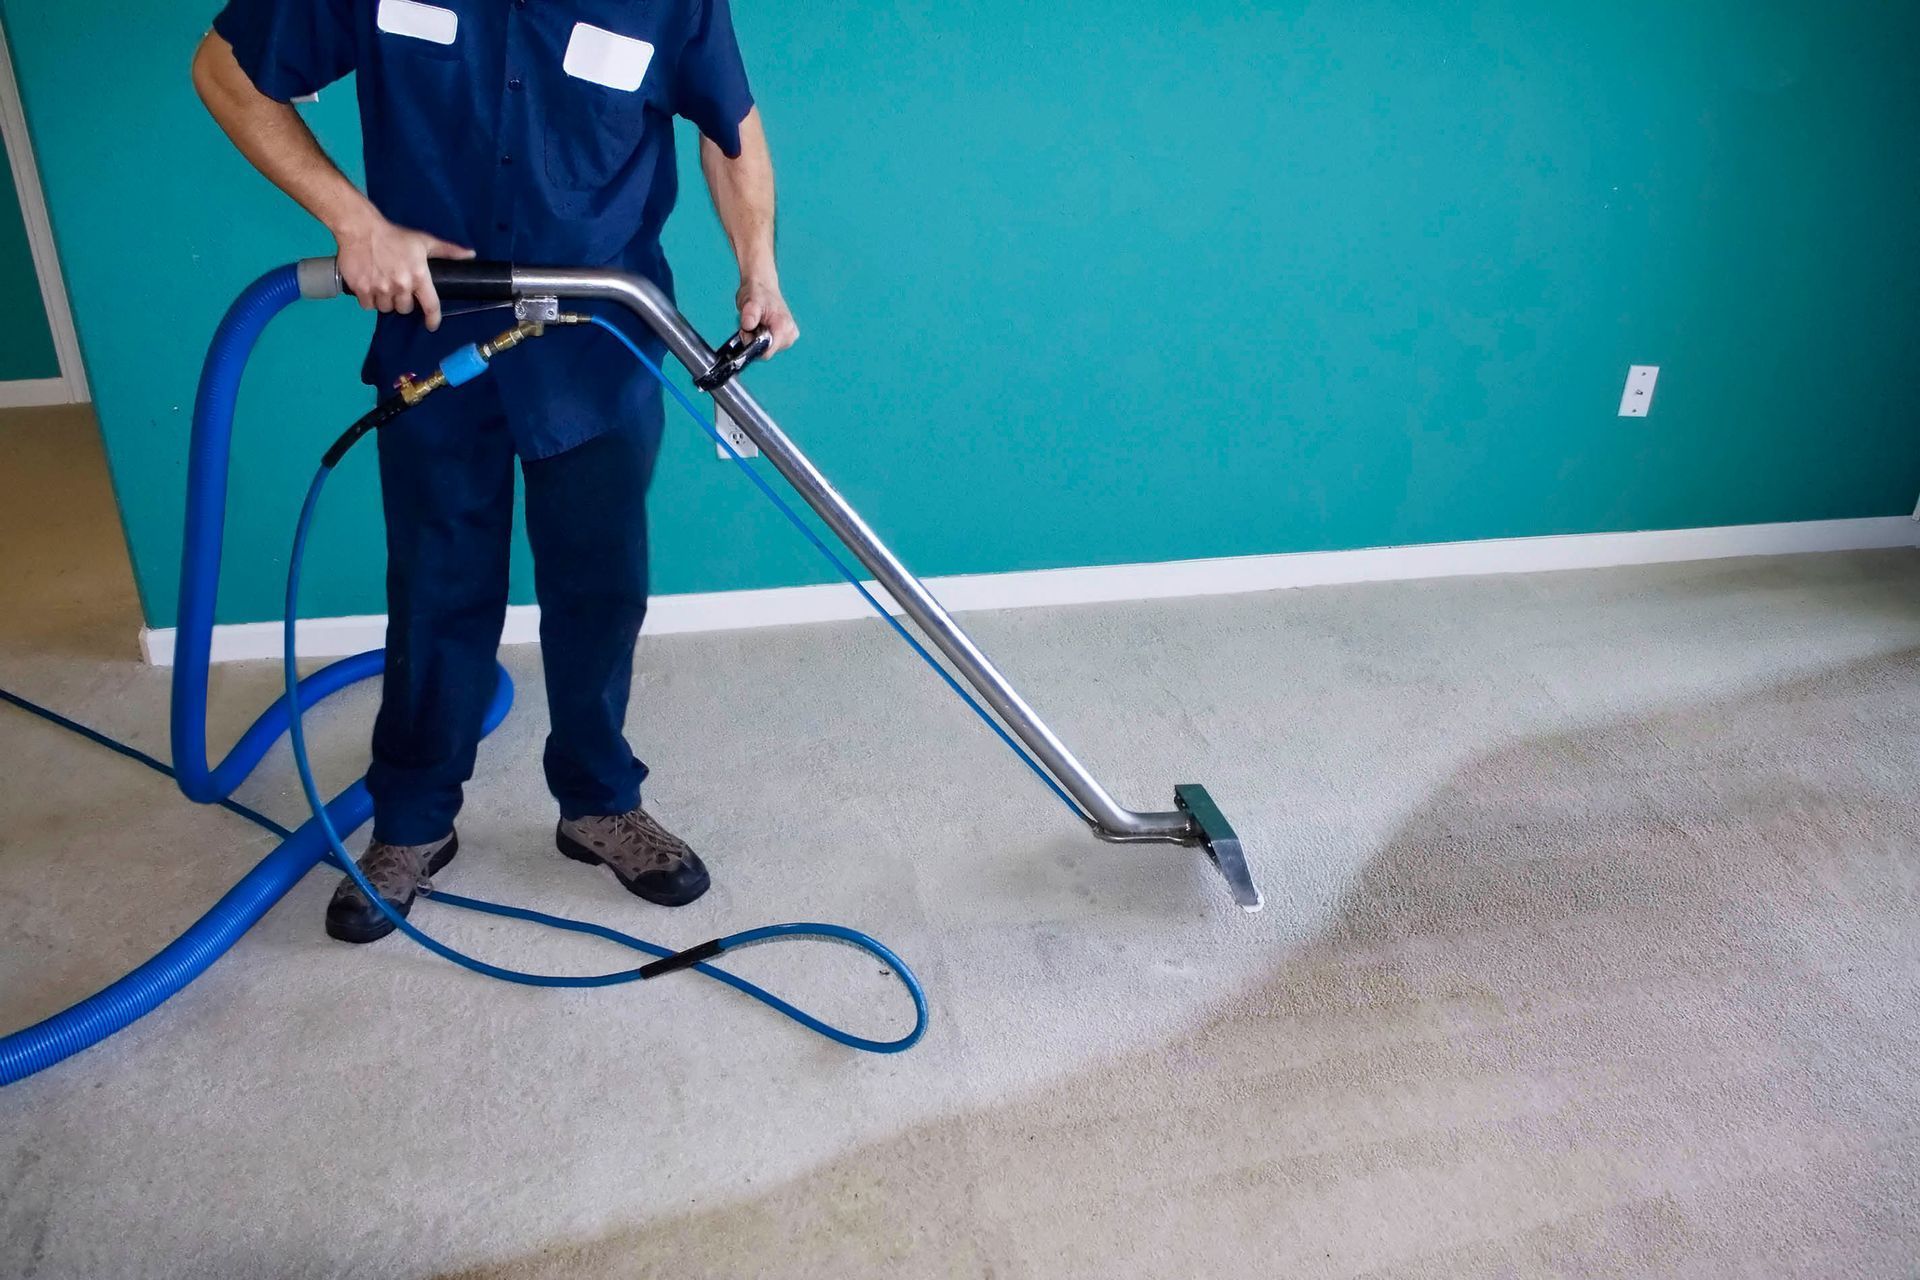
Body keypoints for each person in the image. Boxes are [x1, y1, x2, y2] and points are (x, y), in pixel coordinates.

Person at [192, 0, 798, 942]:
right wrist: (355, 222)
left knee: (600, 591)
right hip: (439, 332)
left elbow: (730, 130)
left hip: (601, 342)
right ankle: (413, 821)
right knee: (437, 588)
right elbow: (225, 72)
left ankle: (598, 801)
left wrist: (758, 266)